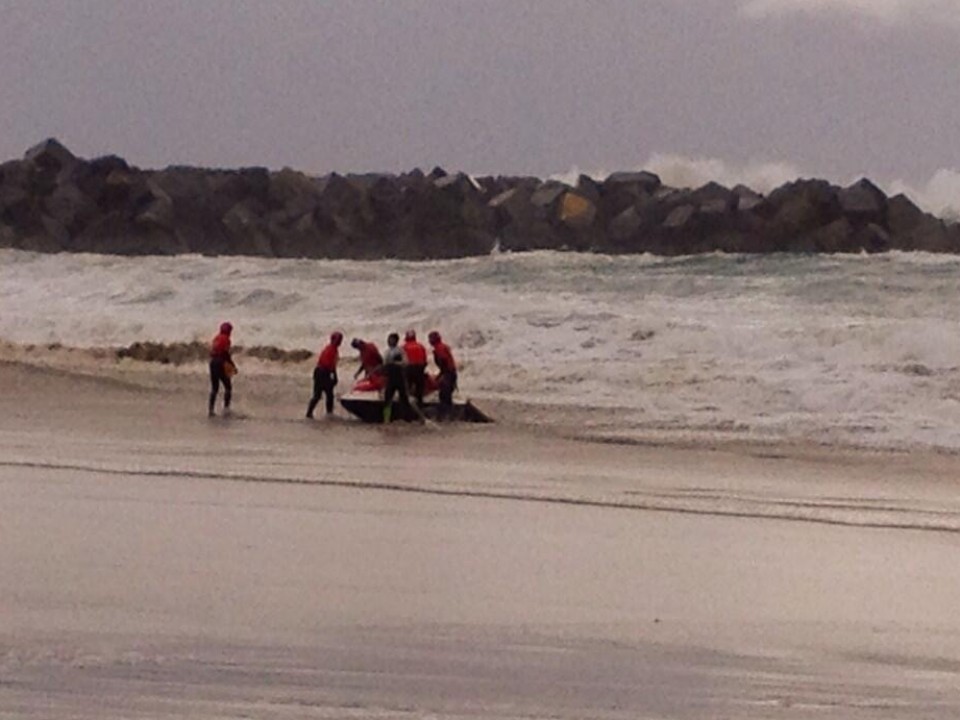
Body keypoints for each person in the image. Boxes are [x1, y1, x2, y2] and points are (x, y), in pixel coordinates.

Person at [306, 331, 343, 418]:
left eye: (340, 340)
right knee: (320, 395)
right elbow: (327, 364)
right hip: (322, 372)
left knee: (327, 394)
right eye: (338, 340)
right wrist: (333, 376)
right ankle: (316, 413)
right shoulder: (330, 350)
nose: (339, 342)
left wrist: (334, 376)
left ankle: (327, 413)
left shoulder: (332, 349)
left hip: (322, 372)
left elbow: (332, 365)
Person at [381, 332, 412, 423]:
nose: (389, 341)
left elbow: (406, 362)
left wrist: (396, 363)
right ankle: (386, 419)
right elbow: (384, 364)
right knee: (387, 398)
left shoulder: (400, 351)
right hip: (390, 377)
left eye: (392, 339)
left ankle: (407, 418)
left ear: (396, 341)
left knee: (404, 398)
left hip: (399, 376)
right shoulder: (387, 351)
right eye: (389, 339)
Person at [428, 330, 457, 420]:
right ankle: (449, 415)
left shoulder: (439, 348)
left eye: (430, 339)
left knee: (444, 395)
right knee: (446, 395)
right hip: (450, 373)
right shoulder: (442, 346)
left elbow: (444, 361)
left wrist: (442, 375)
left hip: (448, 373)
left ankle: (446, 416)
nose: (429, 341)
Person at [208, 321, 235, 417]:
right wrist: (232, 365)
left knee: (214, 388)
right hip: (220, 362)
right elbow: (226, 354)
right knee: (228, 387)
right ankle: (226, 409)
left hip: (212, 363)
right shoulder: (226, 339)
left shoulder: (216, 338)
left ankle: (210, 410)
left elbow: (211, 352)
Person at [402, 329, 428, 406]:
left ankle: (406, 405)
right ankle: (420, 403)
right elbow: (425, 360)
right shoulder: (421, 346)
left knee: (407, 388)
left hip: (409, 369)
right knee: (419, 389)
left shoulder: (404, 347)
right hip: (420, 368)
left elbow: (401, 361)